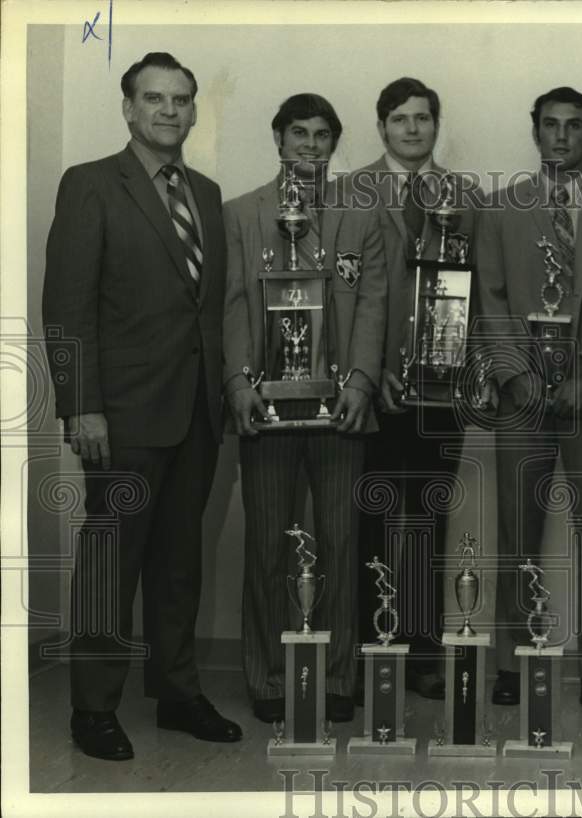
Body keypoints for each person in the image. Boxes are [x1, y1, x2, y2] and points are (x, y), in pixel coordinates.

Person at [42, 52, 241, 761]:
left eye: (180, 99)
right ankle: (93, 708)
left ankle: (178, 692)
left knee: (179, 562)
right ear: (128, 108)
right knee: (110, 561)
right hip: (120, 415)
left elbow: (210, 311)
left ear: (193, 110)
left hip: (197, 413)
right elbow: (67, 310)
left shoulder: (208, 195)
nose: (167, 110)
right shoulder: (93, 185)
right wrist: (80, 406)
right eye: (153, 98)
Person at [222, 93, 387, 725]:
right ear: (278, 139)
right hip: (266, 407)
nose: (311, 146)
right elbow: (234, 306)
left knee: (343, 543)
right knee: (267, 544)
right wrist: (239, 383)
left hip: (340, 409)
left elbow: (373, 302)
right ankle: (265, 678)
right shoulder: (242, 214)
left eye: (322, 136)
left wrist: (363, 382)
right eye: (299, 134)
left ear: (334, 144)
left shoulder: (362, 216)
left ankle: (340, 676)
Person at [476, 86, 582, 709]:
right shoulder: (501, 209)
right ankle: (516, 657)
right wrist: (519, 378)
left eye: (574, 126)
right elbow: (493, 301)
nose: (561, 137)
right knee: (518, 525)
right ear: (534, 132)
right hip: (523, 396)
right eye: (550, 126)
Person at [350, 78, 479, 701]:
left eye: (422, 118)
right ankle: (373, 647)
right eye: (399, 119)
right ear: (380, 127)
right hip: (372, 391)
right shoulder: (349, 194)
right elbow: (347, 297)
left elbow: (478, 293)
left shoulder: (467, 197)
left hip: (439, 391)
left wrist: (452, 371)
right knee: (370, 521)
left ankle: (426, 651)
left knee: (428, 521)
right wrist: (371, 372)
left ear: (436, 124)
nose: (411, 129)